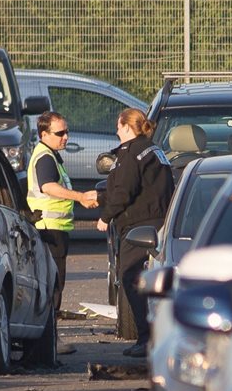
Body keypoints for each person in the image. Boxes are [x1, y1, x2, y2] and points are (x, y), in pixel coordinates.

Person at [89, 108, 174, 358]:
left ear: (127, 126)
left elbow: (125, 191)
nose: (116, 131)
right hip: (159, 223)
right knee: (155, 282)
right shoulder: (153, 150)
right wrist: (100, 197)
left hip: (138, 227)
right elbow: (142, 188)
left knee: (131, 278)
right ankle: (157, 335)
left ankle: (146, 339)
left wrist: (106, 217)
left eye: (118, 126)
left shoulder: (130, 153)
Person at [26, 111, 97, 355]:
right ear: (44, 134)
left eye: (67, 132)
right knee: (53, 286)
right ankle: (50, 341)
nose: (66, 137)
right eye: (60, 133)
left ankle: (49, 338)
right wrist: (80, 197)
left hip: (54, 229)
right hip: (50, 230)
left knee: (52, 285)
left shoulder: (50, 155)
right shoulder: (45, 157)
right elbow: (48, 187)